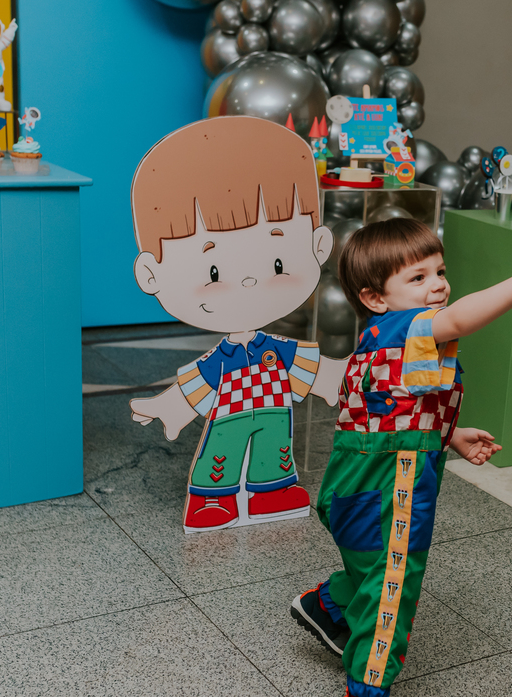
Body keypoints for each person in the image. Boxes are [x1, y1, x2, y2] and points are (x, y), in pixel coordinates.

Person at [291, 218, 512, 697]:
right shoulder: (409, 329)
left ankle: (327, 607)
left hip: (356, 484)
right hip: (386, 492)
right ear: (376, 298)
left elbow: (403, 410)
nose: (439, 287)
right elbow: (461, 319)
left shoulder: (385, 337)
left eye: (440, 272)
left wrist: (452, 436)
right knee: (391, 587)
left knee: (373, 568)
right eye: (419, 278)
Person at [127, 116, 349, 532]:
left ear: (319, 245)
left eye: (277, 261)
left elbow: (315, 370)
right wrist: (167, 406)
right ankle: (213, 502)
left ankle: (273, 493)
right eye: (212, 271)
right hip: (227, 414)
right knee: (220, 455)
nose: (248, 280)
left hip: (273, 412)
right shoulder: (223, 357)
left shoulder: (277, 349)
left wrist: (343, 374)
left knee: (274, 450)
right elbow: (198, 384)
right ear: (151, 274)